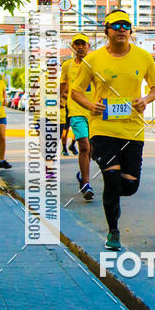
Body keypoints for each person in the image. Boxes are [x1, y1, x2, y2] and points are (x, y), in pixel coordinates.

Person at [71, 9, 155, 250]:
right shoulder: (93, 59)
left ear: (131, 30)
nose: (122, 29)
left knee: (130, 187)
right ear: (107, 31)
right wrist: (91, 105)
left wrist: (146, 99)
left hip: (132, 129)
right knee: (111, 179)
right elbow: (76, 91)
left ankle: (110, 197)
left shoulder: (144, 57)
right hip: (103, 127)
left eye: (126, 25)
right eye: (116, 25)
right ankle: (113, 231)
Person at [60, 33, 94, 201]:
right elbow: (63, 84)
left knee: (92, 149)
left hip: (94, 111)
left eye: (83, 44)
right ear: (72, 47)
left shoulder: (95, 63)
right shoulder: (67, 65)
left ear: (88, 46)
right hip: (76, 111)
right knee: (84, 146)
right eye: (77, 44)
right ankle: (86, 184)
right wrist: (60, 99)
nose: (80, 47)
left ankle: (82, 174)